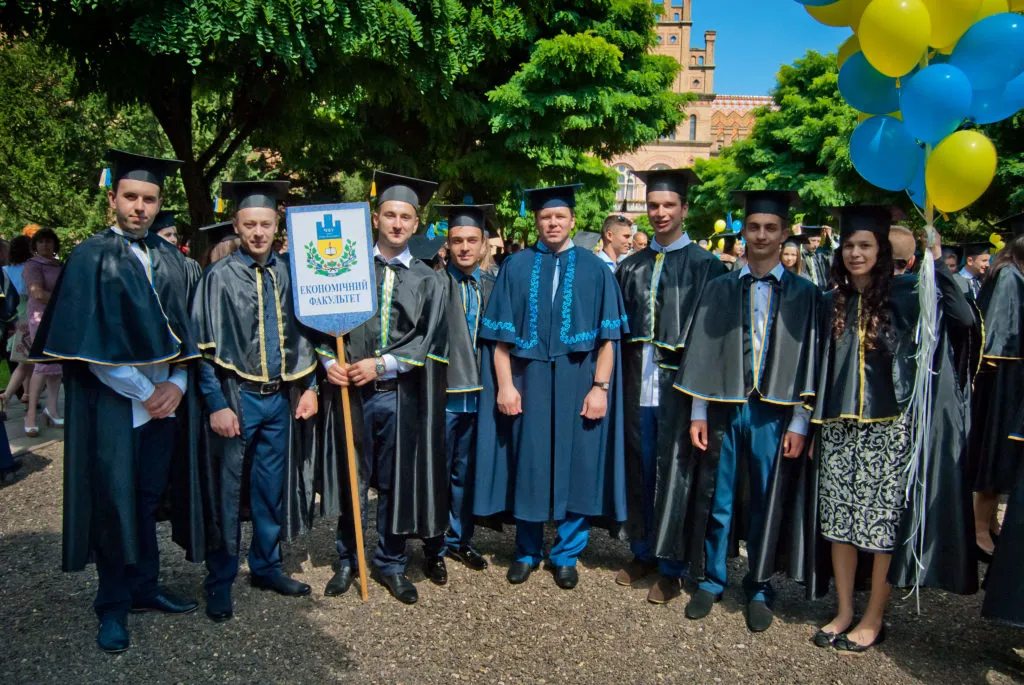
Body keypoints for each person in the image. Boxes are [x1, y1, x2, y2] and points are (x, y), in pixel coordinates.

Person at [29, 150, 204, 653]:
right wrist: (149, 393)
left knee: (147, 501)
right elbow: (93, 349)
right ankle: (112, 604)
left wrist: (177, 384)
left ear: (159, 203)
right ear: (113, 199)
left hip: (164, 404)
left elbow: (189, 334)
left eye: (149, 199)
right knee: (113, 502)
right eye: (130, 197)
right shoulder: (91, 257)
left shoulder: (171, 259)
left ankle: (145, 587)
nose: (140, 207)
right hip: (115, 407)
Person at [811, 207, 976, 652]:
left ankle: (873, 617)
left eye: (865, 245)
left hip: (891, 431)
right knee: (839, 523)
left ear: (881, 250)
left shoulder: (909, 294)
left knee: (880, 529)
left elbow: (963, 318)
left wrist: (936, 264)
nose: (855, 253)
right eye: (849, 245)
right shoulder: (831, 301)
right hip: (839, 429)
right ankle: (844, 610)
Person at [673, 191, 818, 632]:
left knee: (765, 499)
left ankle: (759, 584)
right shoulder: (719, 287)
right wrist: (698, 411)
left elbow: (810, 359)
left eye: (771, 228)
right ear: (744, 232)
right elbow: (703, 351)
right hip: (725, 406)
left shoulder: (806, 294)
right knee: (718, 496)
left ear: (785, 233)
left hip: (775, 412)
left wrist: (801, 421)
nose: (761, 235)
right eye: (754, 227)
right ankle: (713, 579)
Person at [475, 183, 629, 590]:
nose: (553, 222)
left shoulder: (596, 270)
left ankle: (566, 554)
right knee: (529, 463)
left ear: (573, 221)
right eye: (546, 216)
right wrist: (505, 386)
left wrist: (600, 388)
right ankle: (526, 551)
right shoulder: (515, 267)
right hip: (528, 380)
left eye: (560, 216)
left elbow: (608, 340)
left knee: (578, 465)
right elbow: (498, 340)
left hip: (580, 379)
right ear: (537, 221)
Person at [191, 180, 320, 622]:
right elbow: (202, 350)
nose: (259, 232)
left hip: (279, 399)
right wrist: (216, 404)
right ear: (236, 225)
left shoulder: (292, 274)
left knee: (270, 488)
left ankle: (266, 565)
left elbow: (309, 337)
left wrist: (311, 387)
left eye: (266, 224)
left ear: (277, 224)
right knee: (227, 491)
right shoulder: (218, 278)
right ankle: (220, 579)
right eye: (250, 225)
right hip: (237, 397)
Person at [318, 172, 449, 605]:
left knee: (396, 481)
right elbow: (321, 318)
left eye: (405, 217)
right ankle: (348, 558)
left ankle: (391, 562)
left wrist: (381, 364)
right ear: (376, 218)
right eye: (390, 215)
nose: (397, 223)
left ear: (416, 223)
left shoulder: (429, 278)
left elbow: (428, 336)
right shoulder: (345, 268)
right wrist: (329, 363)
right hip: (350, 394)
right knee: (352, 478)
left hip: (398, 395)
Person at [613, 168, 727, 603]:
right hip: (635, 385)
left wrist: (701, 402)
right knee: (639, 467)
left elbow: (712, 342)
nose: (660, 212)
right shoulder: (631, 266)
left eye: (669, 205)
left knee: (677, 473)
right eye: (654, 205)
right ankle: (642, 551)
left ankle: (673, 565)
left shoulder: (707, 267)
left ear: (684, 208)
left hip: (681, 389)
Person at [434, 203, 497, 571]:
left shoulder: (493, 285)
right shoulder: (434, 284)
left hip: (481, 397)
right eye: (457, 240)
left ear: (483, 244)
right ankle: (434, 545)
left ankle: (460, 539)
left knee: (467, 473)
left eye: (472, 240)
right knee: (439, 472)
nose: (464, 247)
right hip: (444, 396)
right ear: (447, 244)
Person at [968, 214, 1024, 563]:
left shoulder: (1012, 273)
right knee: (996, 454)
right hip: (1004, 378)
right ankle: (978, 531)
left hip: (1009, 376)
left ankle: (989, 525)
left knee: (1001, 455)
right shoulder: (1009, 276)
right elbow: (999, 336)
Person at [23, 228, 64, 436]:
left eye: (49, 241)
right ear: (35, 245)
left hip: (60, 319)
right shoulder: (32, 265)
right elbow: (37, 293)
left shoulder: (59, 265)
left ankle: (52, 409)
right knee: (42, 365)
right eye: (41, 242)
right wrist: (66, 302)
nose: (45, 245)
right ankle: (30, 414)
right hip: (40, 319)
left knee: (58, 364)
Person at [2, 235, 33, 410]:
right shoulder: (30, 268)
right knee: (28, 361)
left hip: (11, 316)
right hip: (28, 314)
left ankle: (25, 393)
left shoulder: (5, 270)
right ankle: (18, 394)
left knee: (23, 360)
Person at [153, 210, 202, 284]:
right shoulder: (146, 263)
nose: (174, 240)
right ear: (153, 237)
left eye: (175, 235)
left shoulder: (188, 266)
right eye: (167, 235)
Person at [798, 225, 832, 290]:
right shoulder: (798, 254)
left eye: (818, 241)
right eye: (813, 240)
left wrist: (828, 237)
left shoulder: (819, 255)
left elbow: (830, 254)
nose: (816, 245)